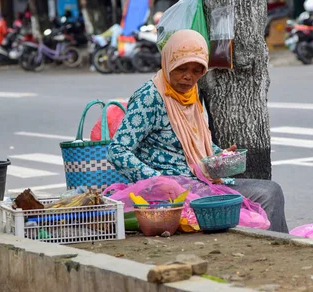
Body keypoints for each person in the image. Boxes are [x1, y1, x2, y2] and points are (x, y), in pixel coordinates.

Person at [107, 29, 289, 232]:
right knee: (269, 193)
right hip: (175, 190)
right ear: (168, 63)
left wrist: (220, 156)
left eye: (196, 71)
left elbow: (193, 139)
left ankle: (276, 248)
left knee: (270, 191)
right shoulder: (150, 97)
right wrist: (157, 180)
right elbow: (117, 150)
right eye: (181, 68)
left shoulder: (189, 94)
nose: (188, 77)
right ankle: (278, 248)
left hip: (200, 180)